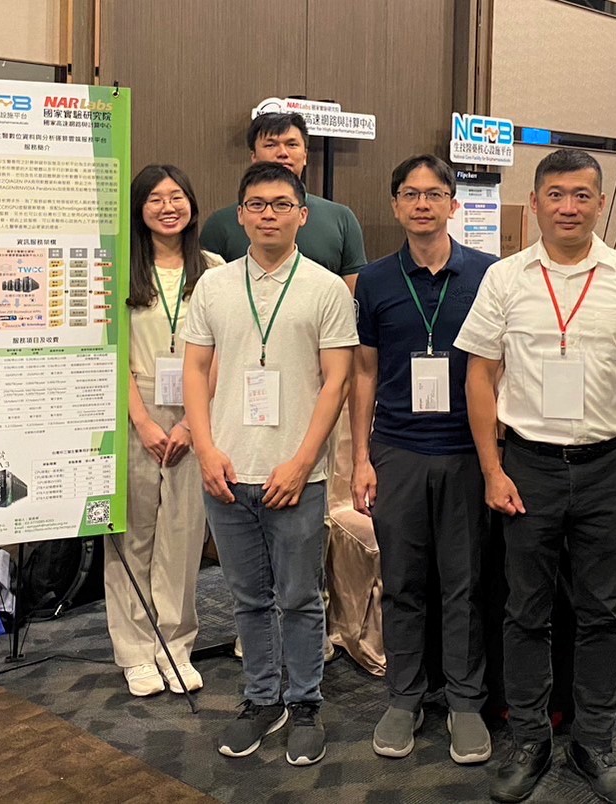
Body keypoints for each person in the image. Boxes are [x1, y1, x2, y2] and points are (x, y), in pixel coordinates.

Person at [454, 149, 616, 804]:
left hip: (605, 464)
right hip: (526, 464)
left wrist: (608, 396)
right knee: (525, 610)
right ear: (535, 203)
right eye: (555, 194)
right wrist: (492, 467)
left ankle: (594, 742)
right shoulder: (505, 278)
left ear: (600, 204)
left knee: (601, 612)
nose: (569, 207)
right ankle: (529, 739)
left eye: (583, 195)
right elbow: (479, 375)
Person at [182, 162, 356, 767]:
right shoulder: (214, 286)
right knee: (246, 598)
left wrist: (302, 460)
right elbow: (196, 372)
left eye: (281, 205)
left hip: (296, 475)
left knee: (301, 597)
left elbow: (336, 382)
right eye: (256, 204)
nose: (268, 215)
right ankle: (262, 700)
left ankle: (305, 702)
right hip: (227, 472)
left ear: (302, 215)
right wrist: (206, 451)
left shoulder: (327, 289)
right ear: (239, 215)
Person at [350, 154, 495, 764]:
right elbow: (363, 372)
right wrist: (361, 456)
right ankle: (403, 697)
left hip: (467, 451)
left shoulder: (491, 274)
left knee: (465, 584)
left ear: (453, 204)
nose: (422, 204)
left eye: (435, 194)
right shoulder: (375, 280)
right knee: (404, 581)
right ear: (395, 205)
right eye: (410, 194)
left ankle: (465, 702)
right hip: (398, 452)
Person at [110, 164, 222, 697]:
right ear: (139, 209)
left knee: (183, 535)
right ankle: (135, 651)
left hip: (198, 412)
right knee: (134, 535)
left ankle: (174, 646)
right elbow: (110, 356)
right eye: (154, 198)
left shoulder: (216, 268)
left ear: (193, 205)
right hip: (137, 409)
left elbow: (225, 348)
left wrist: (190, 427)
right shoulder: (118, 270)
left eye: (177, 196)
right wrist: (145, 422)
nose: (167, 206)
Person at [200, 113, 367, 292]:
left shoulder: (341, 218)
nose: (282, 153)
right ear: (253, 156)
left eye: (292, 144)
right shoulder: (220, 223)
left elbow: (353, 295)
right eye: (271, 145)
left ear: (305, 156)